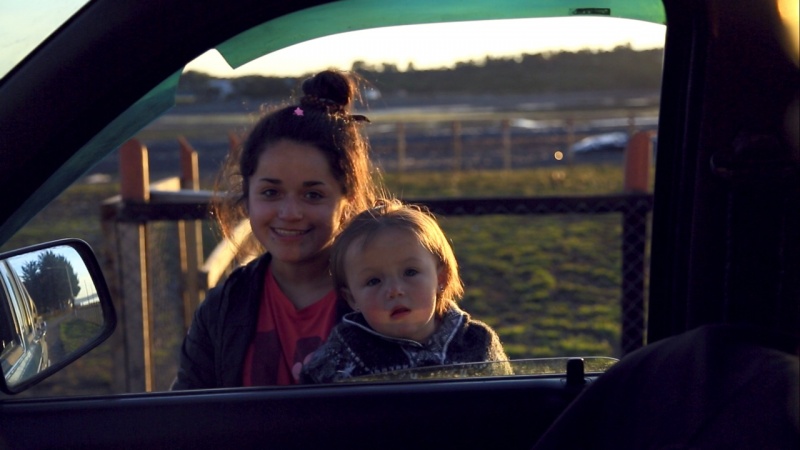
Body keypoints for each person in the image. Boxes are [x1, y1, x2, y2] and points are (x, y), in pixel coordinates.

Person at [172, 69, 382, 389]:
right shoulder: (222, 308)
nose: (290, 213)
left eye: (313, 195)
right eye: (271, 192)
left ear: (347, 199)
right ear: (247, 195)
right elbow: (188, 409)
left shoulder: (391, 293)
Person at [301, 199, 511, 384]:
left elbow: (509, 405)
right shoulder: (339, 357)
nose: (395, 291)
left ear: (441, 278)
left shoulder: (477, 343)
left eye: (410, 272)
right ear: (352, 298)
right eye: (374, 281)